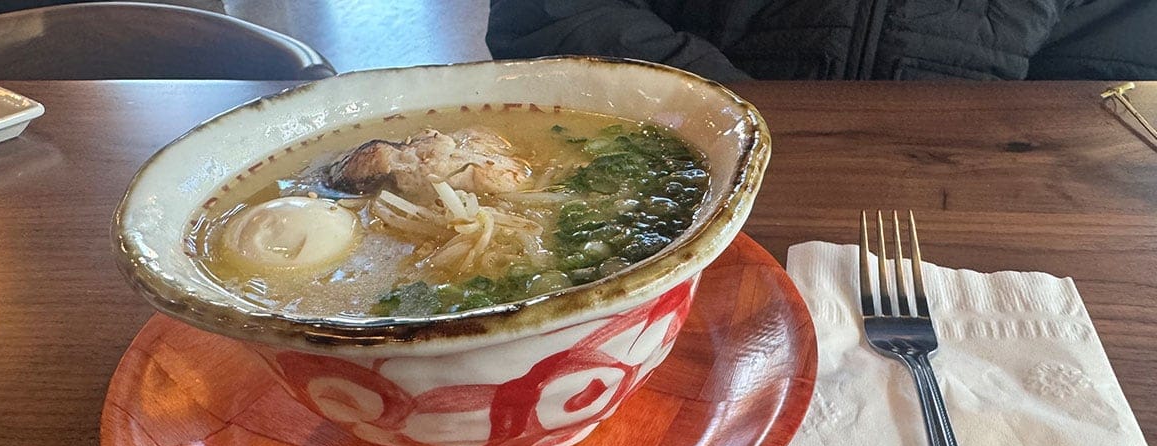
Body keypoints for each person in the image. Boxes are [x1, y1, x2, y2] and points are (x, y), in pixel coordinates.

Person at [487, 0, 1157, 82]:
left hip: (996, 196)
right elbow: (550, 12)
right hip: (686, 147)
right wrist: (717, 100)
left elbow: (1119, 56)